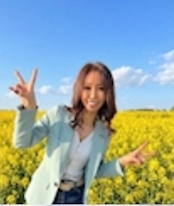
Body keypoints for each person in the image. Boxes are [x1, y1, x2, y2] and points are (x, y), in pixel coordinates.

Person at [10, 62, 155, 204]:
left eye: (101, 88)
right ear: (79, 89)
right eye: (87, 88)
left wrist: (122, 162)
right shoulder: (59, 115)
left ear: (108, 93)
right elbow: (22, 142)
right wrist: (29, 107)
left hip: (76, 197)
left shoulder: (103, 133)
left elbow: (95, 170)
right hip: (44, 196)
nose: (93, 95)